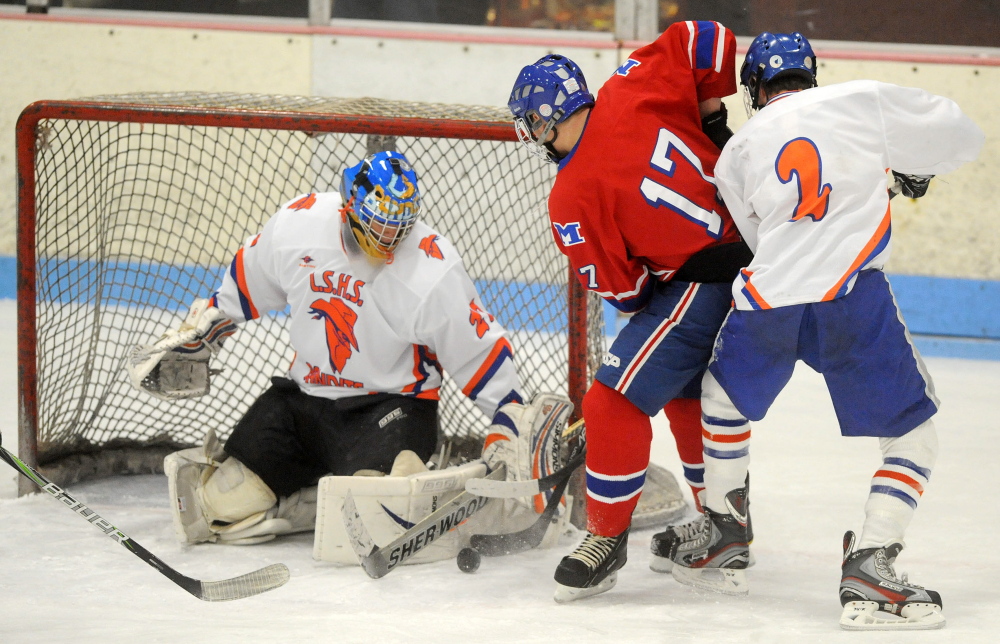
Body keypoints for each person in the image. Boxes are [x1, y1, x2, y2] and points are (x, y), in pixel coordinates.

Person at [655, 32, 983, 630]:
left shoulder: (736, 152)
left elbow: (765, 232)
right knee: (916, 436)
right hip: (850, 296)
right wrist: (910, 165)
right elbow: (961, 131)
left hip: (770, 297)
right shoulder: (858, 102)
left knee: (721, 401)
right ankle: (871, 565)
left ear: (755, 89)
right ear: (811, 75)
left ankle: (726, 534)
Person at [127, 150, 570, 555]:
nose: (388, 241)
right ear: (349, 208)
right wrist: (206, 331)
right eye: (378, 227)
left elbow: (478, 355)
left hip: (390, 409)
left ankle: (357, 486)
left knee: (380, 519)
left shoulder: (432, 269)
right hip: (303, 404)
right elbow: (247, 283)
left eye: (398, 229)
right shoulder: (298, 226)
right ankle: (308, 499)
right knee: (219, 506)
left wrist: (511, 419)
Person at [508, 20, 752, 602]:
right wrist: (713, 120)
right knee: (684, 394)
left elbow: (623, 290)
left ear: (543, 121)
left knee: (612, 400)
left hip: (702, 281)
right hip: (752, 247)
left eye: (532, 126)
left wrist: (649, 301)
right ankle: (722, 524)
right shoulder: (630, 85)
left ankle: (606, 539)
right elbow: (707, 37)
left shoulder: (569, 195)